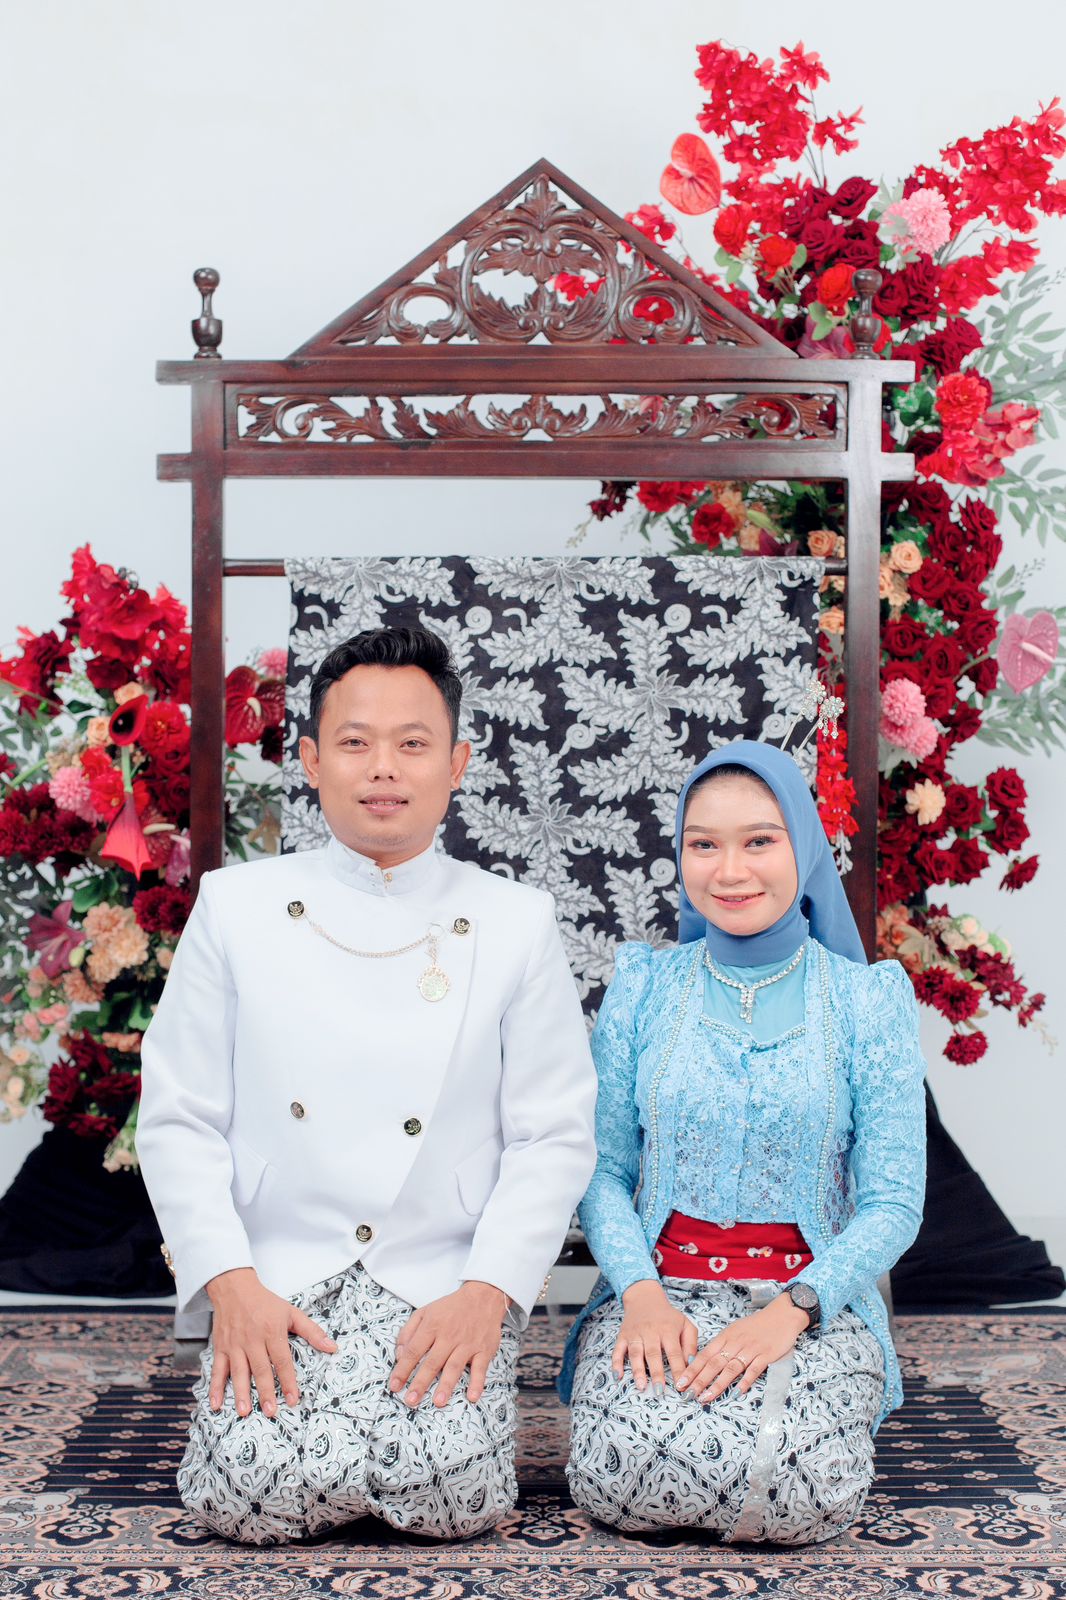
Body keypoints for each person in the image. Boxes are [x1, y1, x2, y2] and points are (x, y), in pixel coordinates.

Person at [137, 624, 597, 1545]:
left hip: (441, 1272)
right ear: (312, 760)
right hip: (279, 1267)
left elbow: (553, 1132)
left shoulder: (515, 920)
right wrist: (230, 1283)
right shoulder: (236, 906)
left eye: (412, 743)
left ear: (456, 763)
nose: (383, 767)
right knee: (250, 1497)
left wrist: (489, 1291)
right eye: (355, 741)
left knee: (450, 1498)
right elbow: (179, 1113)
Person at [560, 741, 926, 1544]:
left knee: (803, 1488)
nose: (729, 871)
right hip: (660, 1294)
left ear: (804, 846)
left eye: (759, 841)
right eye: (703, 845)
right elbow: (602, 1170)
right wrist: (640, 1296)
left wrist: (793, 1310)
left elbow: (894, 1203)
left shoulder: (867, 1002)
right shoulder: (644, 987)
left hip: (810, 1303)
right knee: (618, 1471)